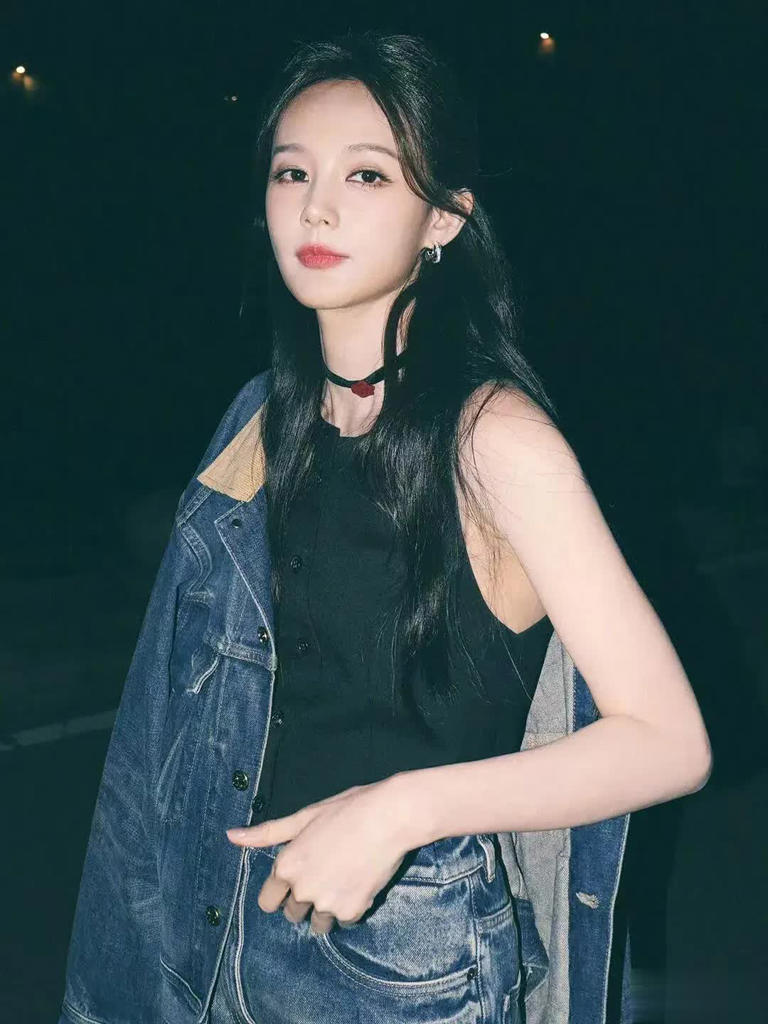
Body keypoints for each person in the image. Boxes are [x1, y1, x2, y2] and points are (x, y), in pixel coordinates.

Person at [57, 29, 712, 1024]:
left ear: (443, 218)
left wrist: (402, 809)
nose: (316, 207)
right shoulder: (259, 421)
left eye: (367, 175)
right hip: (211, 922)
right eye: (293, 171)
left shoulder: (496, 440)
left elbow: (669, 741)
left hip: (396, 958)